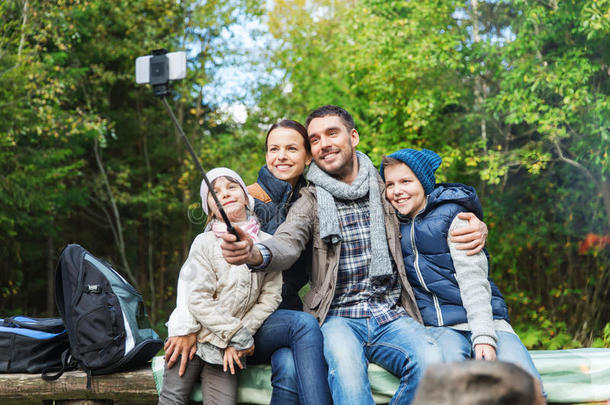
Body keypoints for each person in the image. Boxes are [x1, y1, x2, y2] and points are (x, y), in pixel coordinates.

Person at [219, 105, 489, 405]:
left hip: (390, 313)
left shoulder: (385, 185)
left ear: (354, 137)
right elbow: (288, 241)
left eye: (332, 133)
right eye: (316, 139)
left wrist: (469, 217)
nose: (324, 144)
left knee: (432, 365)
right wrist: (255, 252)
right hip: (338, 317)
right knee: (348, 380)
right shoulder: (310, 199)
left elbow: (430, 203)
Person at [380, 148, 543, 389]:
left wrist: (484, 337)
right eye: (390, 184)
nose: (397, 191)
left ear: (424, 183)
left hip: (487, 320)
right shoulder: (390, 225)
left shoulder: (454, 218)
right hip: (438, 328)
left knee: (525, 386)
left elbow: (474, 282)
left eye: (406, 181)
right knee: (452, 387)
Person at [158, 168, 282, 405]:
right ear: (210, 209)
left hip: (227, 350)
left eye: (231, 187)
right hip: (194, 338)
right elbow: (197, 297)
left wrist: (240, 337)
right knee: (172, 399)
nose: (224, 194)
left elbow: (270, 297)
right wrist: (235, 332)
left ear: (246, 196)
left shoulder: (267, 244)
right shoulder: (204, 243)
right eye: (215, 193)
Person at [246, 120, 332, 405]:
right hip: (245, 318)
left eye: (291, 148)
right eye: (274, 149)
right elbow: (202, 265)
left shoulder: (315, 200)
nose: (281, 156)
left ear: (308, 156)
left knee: (290, 369)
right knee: (304, 325)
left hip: (286, 315)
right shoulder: (245, 199)